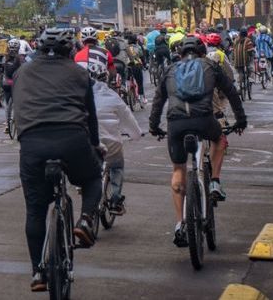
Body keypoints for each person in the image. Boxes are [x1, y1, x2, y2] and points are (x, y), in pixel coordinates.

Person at [12, 28, 102, 292]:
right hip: (72, 139)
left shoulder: (22, 73)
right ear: (70, 49)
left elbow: (17, 108)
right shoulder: (79, 73)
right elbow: (90, 116)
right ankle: (85, 220)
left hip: (32, 143)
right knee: (92, 177)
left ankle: (38, 272)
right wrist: (94, 146)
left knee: (35, 209)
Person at [148, 36, 246, 247]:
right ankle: (215, 181)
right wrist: (241, 119)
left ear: (180, 53)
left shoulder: (170, 69)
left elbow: (158, 100)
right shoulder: (210, 65)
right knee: (219, 139)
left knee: (178, 169)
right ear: (202, 52)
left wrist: (154, 126)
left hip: (176, 124)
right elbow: (231, 92)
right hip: (204, 120)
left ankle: (179, 223)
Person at [89, 60, 144, 216]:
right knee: (117, 166)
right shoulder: (113, 97)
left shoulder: (80, 96)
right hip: (111, 142)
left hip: (88, 141)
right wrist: (136, 134)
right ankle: (115, 199)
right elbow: (128, 119)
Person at [1, 39, 24, 133]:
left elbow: (2, 69)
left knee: (7, 104)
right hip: (17, 83)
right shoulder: (21, 58)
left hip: (6, 84)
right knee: (21, 102)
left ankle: (7, 124)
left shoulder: (4, 58)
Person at [125, 34, 146, 103]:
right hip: (136, 65)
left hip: (127, 66)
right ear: (136, 40)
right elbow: (142, 56)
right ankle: (141, 97)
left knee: (127, 79)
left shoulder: (126, 47)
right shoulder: (138, 47)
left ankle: (127, 90)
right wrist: (144, 65)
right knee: (140, 82)